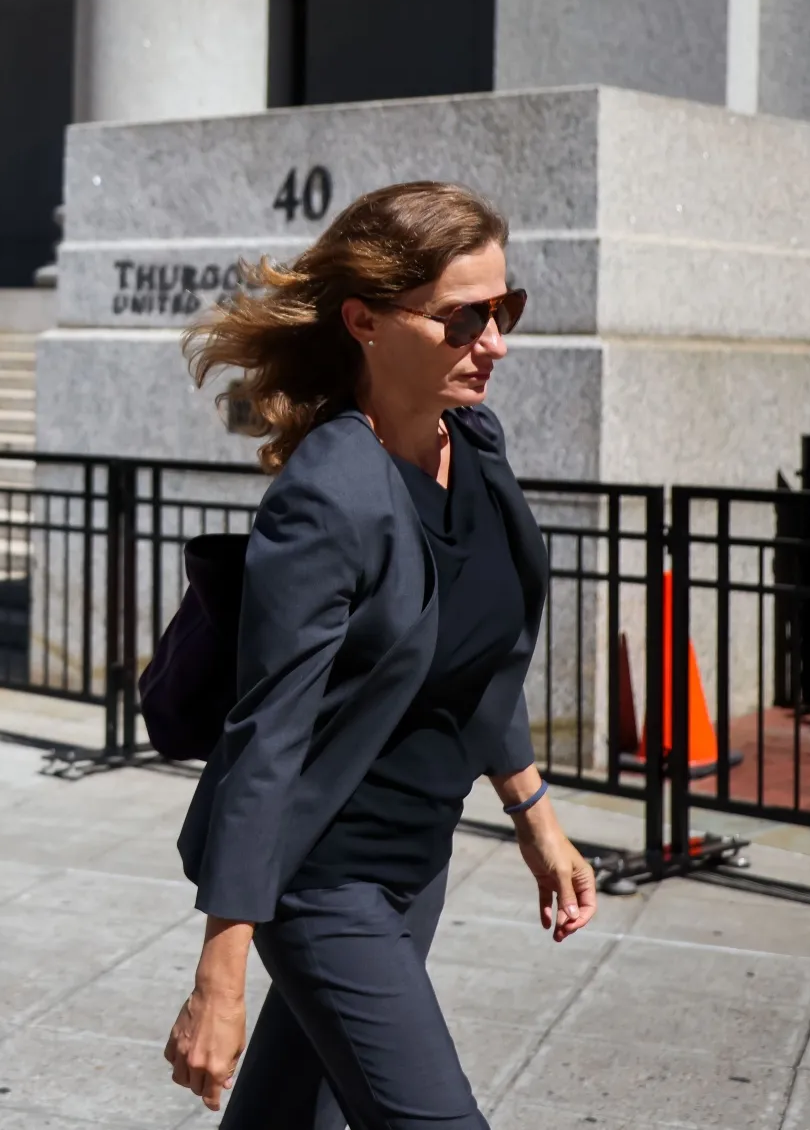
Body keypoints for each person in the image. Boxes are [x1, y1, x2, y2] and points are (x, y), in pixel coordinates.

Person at [160, 182, 599, 1130]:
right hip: (325, 880)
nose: (497, 342)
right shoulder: (328, 495)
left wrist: (535, 817)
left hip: (416, 864)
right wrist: (221, 971)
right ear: (364, 320)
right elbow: (267, 736)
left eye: (505, 309)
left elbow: (480, 662)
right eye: (463, 318)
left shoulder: (475, 444)